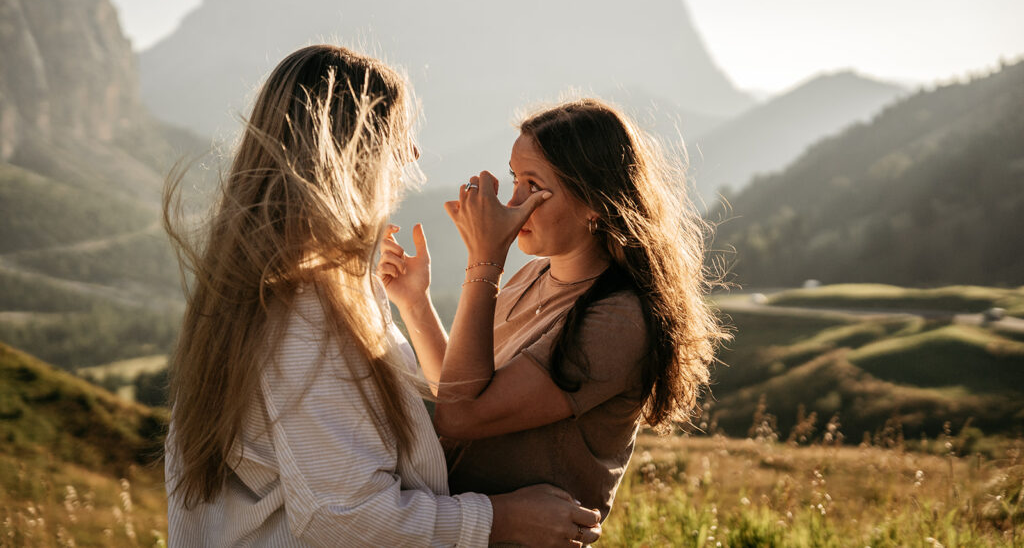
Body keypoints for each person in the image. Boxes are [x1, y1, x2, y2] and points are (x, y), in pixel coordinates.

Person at [162, 45, 602, 547]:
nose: (411, 156)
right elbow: (344, 517)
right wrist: (500, 519)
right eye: (397, 138)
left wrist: (414, 305)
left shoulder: (287, 287)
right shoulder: (305, 312)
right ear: (352, 152)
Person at [379, 98, 726, 527]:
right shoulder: (532, 275)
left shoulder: (620, 320)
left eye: (534, 185)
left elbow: (459, 415)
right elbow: (460, 387)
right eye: (514, 179)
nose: (514, 200)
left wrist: (484, 260)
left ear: (595, 202)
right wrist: (415, 302)